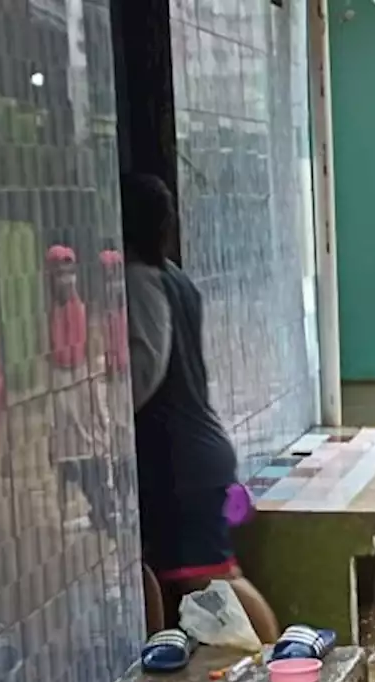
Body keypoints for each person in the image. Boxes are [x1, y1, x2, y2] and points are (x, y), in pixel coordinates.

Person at [122, 173, 280, 643]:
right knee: (178, 572)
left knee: (212, 578)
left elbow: (145, 367)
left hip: (181, 459)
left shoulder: (140, 280)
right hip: (194, 453)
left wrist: (108, 413)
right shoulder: (177, 279)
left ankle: (277, 656)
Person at [45, 244, 117, 537]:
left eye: (69, 272)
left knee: (95, 457)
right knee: (67, 462)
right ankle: (88, 512)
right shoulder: (46, 315)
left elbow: (96, 357)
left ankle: (103, 508)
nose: (66, 278)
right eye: (59, 273)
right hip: (62, 396)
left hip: (85, 393)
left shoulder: (87, 313)